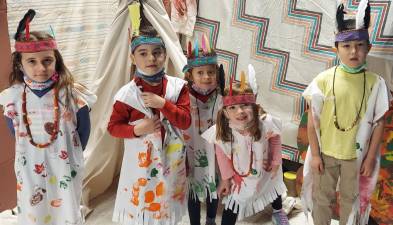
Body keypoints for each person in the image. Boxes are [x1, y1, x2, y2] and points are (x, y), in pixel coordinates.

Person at [0, 9, 95, 225]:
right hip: (29, 164)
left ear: (56, 61)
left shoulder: (72, 94)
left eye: (47, 61)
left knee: (66, 208)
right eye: (31, 61)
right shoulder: (13, 98)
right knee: (35, 210)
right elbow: (13, 130)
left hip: (65, 165)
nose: (40, 67)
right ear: (19, 64)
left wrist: (68, 153)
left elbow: (84, 131)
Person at [301, 1, 391, 225]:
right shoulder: (322, 80)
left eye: (360, 45)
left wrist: (370, 157)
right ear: (336, 48)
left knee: (351, 199)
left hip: (355, 157)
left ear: (368, 48)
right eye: (347, 46)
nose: (354, 51)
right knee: (323, 198)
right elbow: (313, 121)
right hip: (327, 153)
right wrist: (314, 154)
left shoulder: (376, 84)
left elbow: (379, 122)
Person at [106, 4, 191, 224]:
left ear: (165, 55)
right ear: (133, 58)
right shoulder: (126, 95)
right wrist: (136, 129)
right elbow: (113, 127)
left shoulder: (178, 87)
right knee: (144, 205)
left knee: (167, 204)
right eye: (143, 53)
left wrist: (163, 104)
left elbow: (185, 120)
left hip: (172, 158)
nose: (151, 58)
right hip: (140, 164)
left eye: (157, 52)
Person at [202, 71, 288, 225]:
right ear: (226, 113)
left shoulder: (265, 123)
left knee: (273, 188)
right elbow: (221, 153)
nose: (240, 111)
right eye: (233, 107)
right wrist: (226, 179)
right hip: (241, 175)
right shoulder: (222, 131)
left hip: (266, 168)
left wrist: (276, 162)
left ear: (254, 107)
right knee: (234, 202)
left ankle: (278, 211)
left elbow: (275, 138)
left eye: (245, 105)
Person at [182, 35, 224, 225]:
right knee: (193, 190)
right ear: (191, 75)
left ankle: (210, 220)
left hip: (215, 152)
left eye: (210, 72)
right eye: (200, 73)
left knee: (212, 188)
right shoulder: (183, 96)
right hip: (191, 150)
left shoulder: (222, 97)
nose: (206, 77)